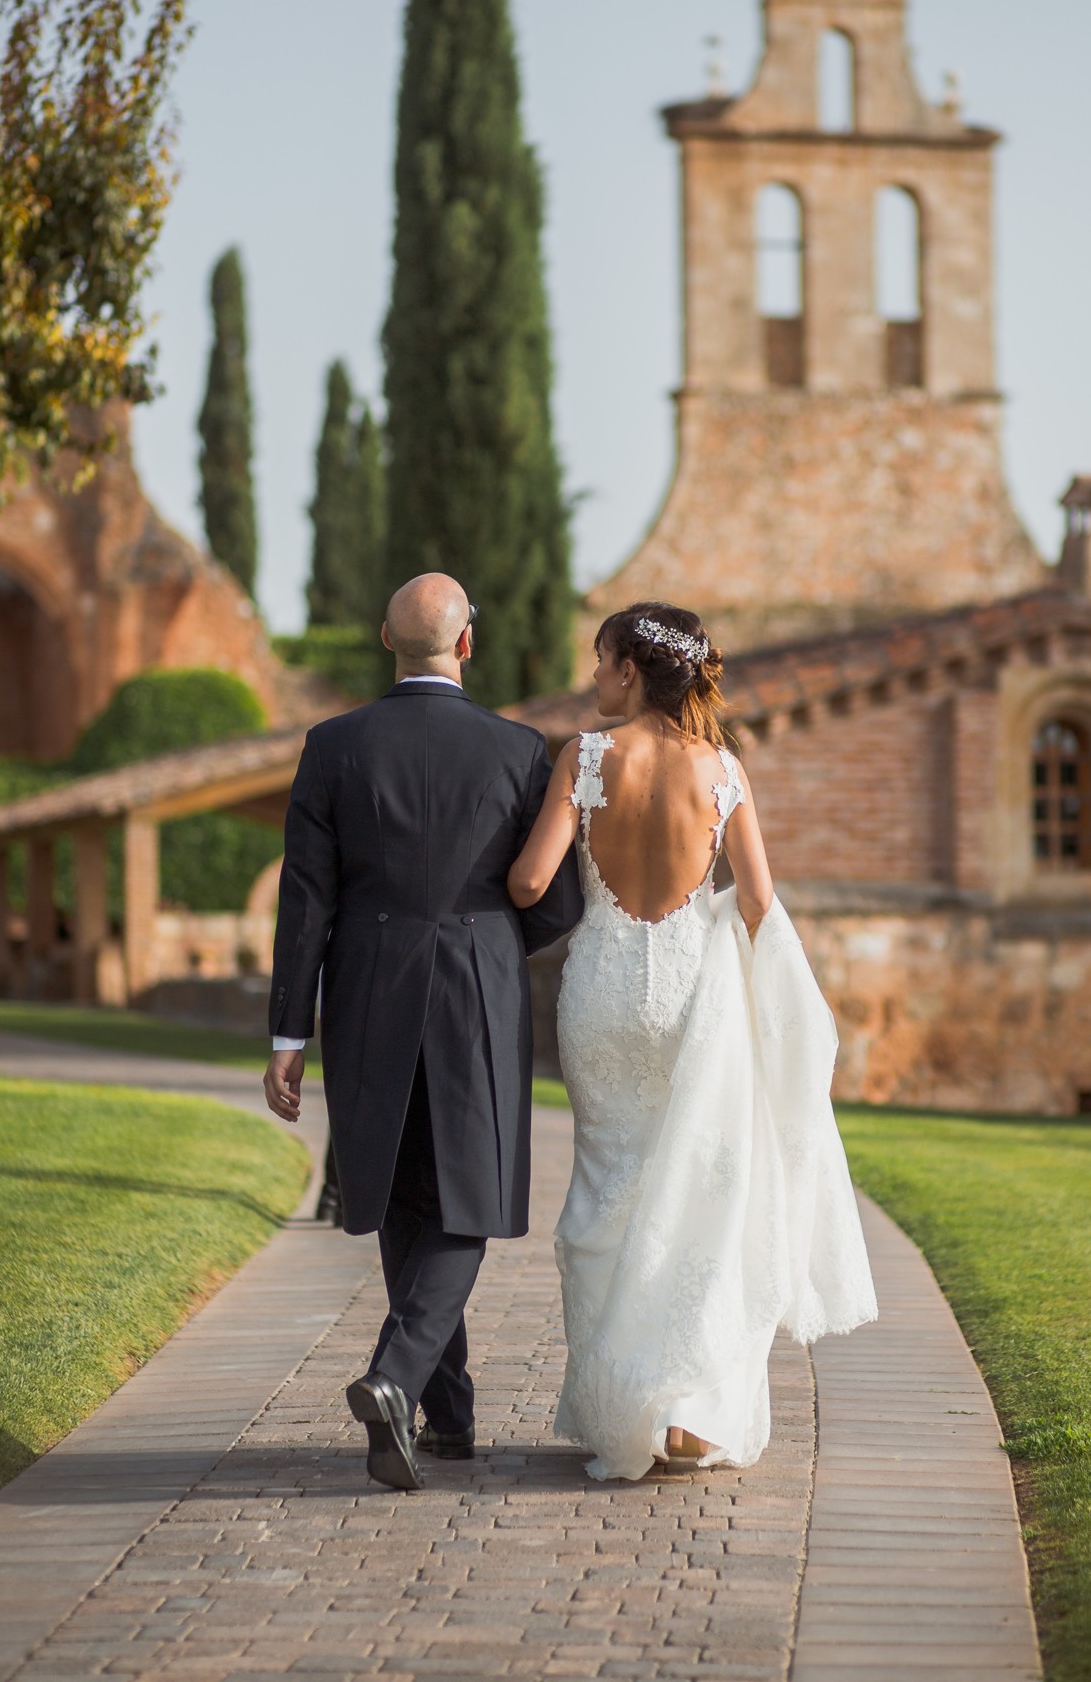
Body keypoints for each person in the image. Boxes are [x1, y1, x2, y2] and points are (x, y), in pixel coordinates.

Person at [508, 600, 877, 1480]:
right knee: (700, 1191)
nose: (594, 679)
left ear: (631, 670)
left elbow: (528, 883)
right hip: (685, 998)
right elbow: (755, 898)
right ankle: (685, 1405)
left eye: (600, 662)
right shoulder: (723, 771)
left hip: (597, 994)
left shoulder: (585, 759)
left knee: (608, 1188)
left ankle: (625, 1402)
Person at [263, 574, 582, 1492]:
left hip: (365, 983)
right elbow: (554, 899)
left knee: (404, 1189)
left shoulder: (332, 745)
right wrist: (484, 941)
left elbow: (305, 900)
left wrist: (289, 1034)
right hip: (478, 986)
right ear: (467, 643)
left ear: (382, 639)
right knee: (467, 1197)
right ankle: (399, 1381)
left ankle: (448, 1414)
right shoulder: (520, 749)